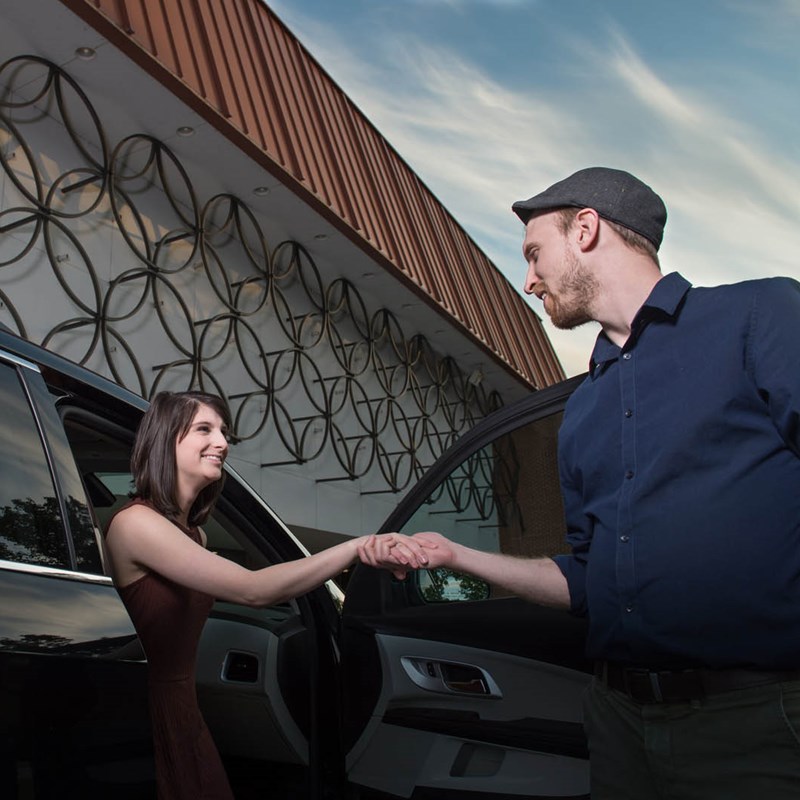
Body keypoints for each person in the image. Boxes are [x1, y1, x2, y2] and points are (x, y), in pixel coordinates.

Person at [363, 166, 800, 799]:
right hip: (618, 723)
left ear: (587, 229)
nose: (529, 279)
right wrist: (457, 556)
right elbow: (587, 581)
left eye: (535, 254)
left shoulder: (759, 316)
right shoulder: (582, 413)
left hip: (761, 723)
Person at [103, 390, 431, 800]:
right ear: (165, 440)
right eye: (204, 429)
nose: (222, 442)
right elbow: (253, 590)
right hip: (141, 709)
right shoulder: (136, 524)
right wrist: (356, 547)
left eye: (223, 431)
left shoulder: (195, 535)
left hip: (183, 704)